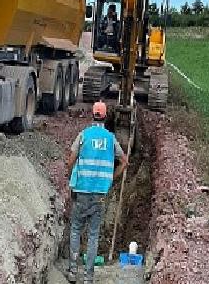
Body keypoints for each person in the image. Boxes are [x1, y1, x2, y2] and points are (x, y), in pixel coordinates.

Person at [65, 101, 128, 284]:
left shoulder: (84, 135)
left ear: (92, 115)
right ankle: (88, 277)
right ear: (105, 116)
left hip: (81, 190)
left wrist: (71, 179)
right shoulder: (110, 139)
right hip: (100, 194)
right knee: (93, 234)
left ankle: (72, 271)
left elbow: (71, 160)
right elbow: (124, 161)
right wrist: (111, 179)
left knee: (76, 229)